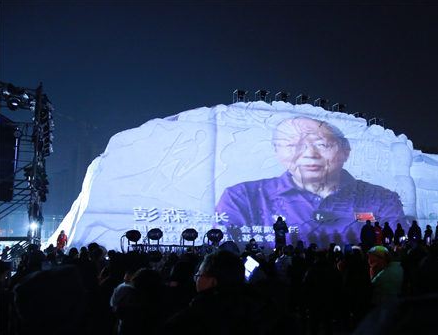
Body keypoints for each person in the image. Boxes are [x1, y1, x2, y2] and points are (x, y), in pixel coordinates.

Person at [215, 116, 404, 244]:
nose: (309, 154)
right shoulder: (242, 198)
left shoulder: (382, 199)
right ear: (276, 150)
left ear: (346, 151)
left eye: (322, 145)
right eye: (293, 145)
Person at [163, 250, 292, 335]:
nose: (196, 280)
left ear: (212, 282)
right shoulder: (272, 314)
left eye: (199, 275)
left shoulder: (189, 321)